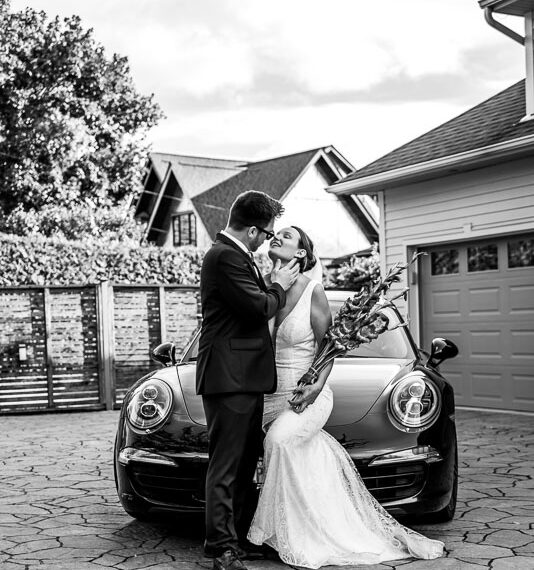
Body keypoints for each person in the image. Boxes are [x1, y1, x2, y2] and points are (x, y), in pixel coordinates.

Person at [247, 225, 444, 569]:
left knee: (279, 442)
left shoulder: (314, 291)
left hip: (306, 394)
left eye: (287, 236)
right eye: (275, 234)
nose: (276, 237)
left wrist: (316, 386)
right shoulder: (262, 287)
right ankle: (316, 521)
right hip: (267, 396)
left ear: (301, 254)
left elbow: (329, 348)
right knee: (300, 458)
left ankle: (271, 532)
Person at [196, 191, 300, 570]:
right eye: (267, 233)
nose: (268, 239)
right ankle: (220, 547)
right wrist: (279, 285)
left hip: (244, 376)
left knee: (242, 464)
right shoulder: (224, 256)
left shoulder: (236, 256)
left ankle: (238, 538)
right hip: (229, 377)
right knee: (225, 465)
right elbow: (258, 308)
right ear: (253, 230)